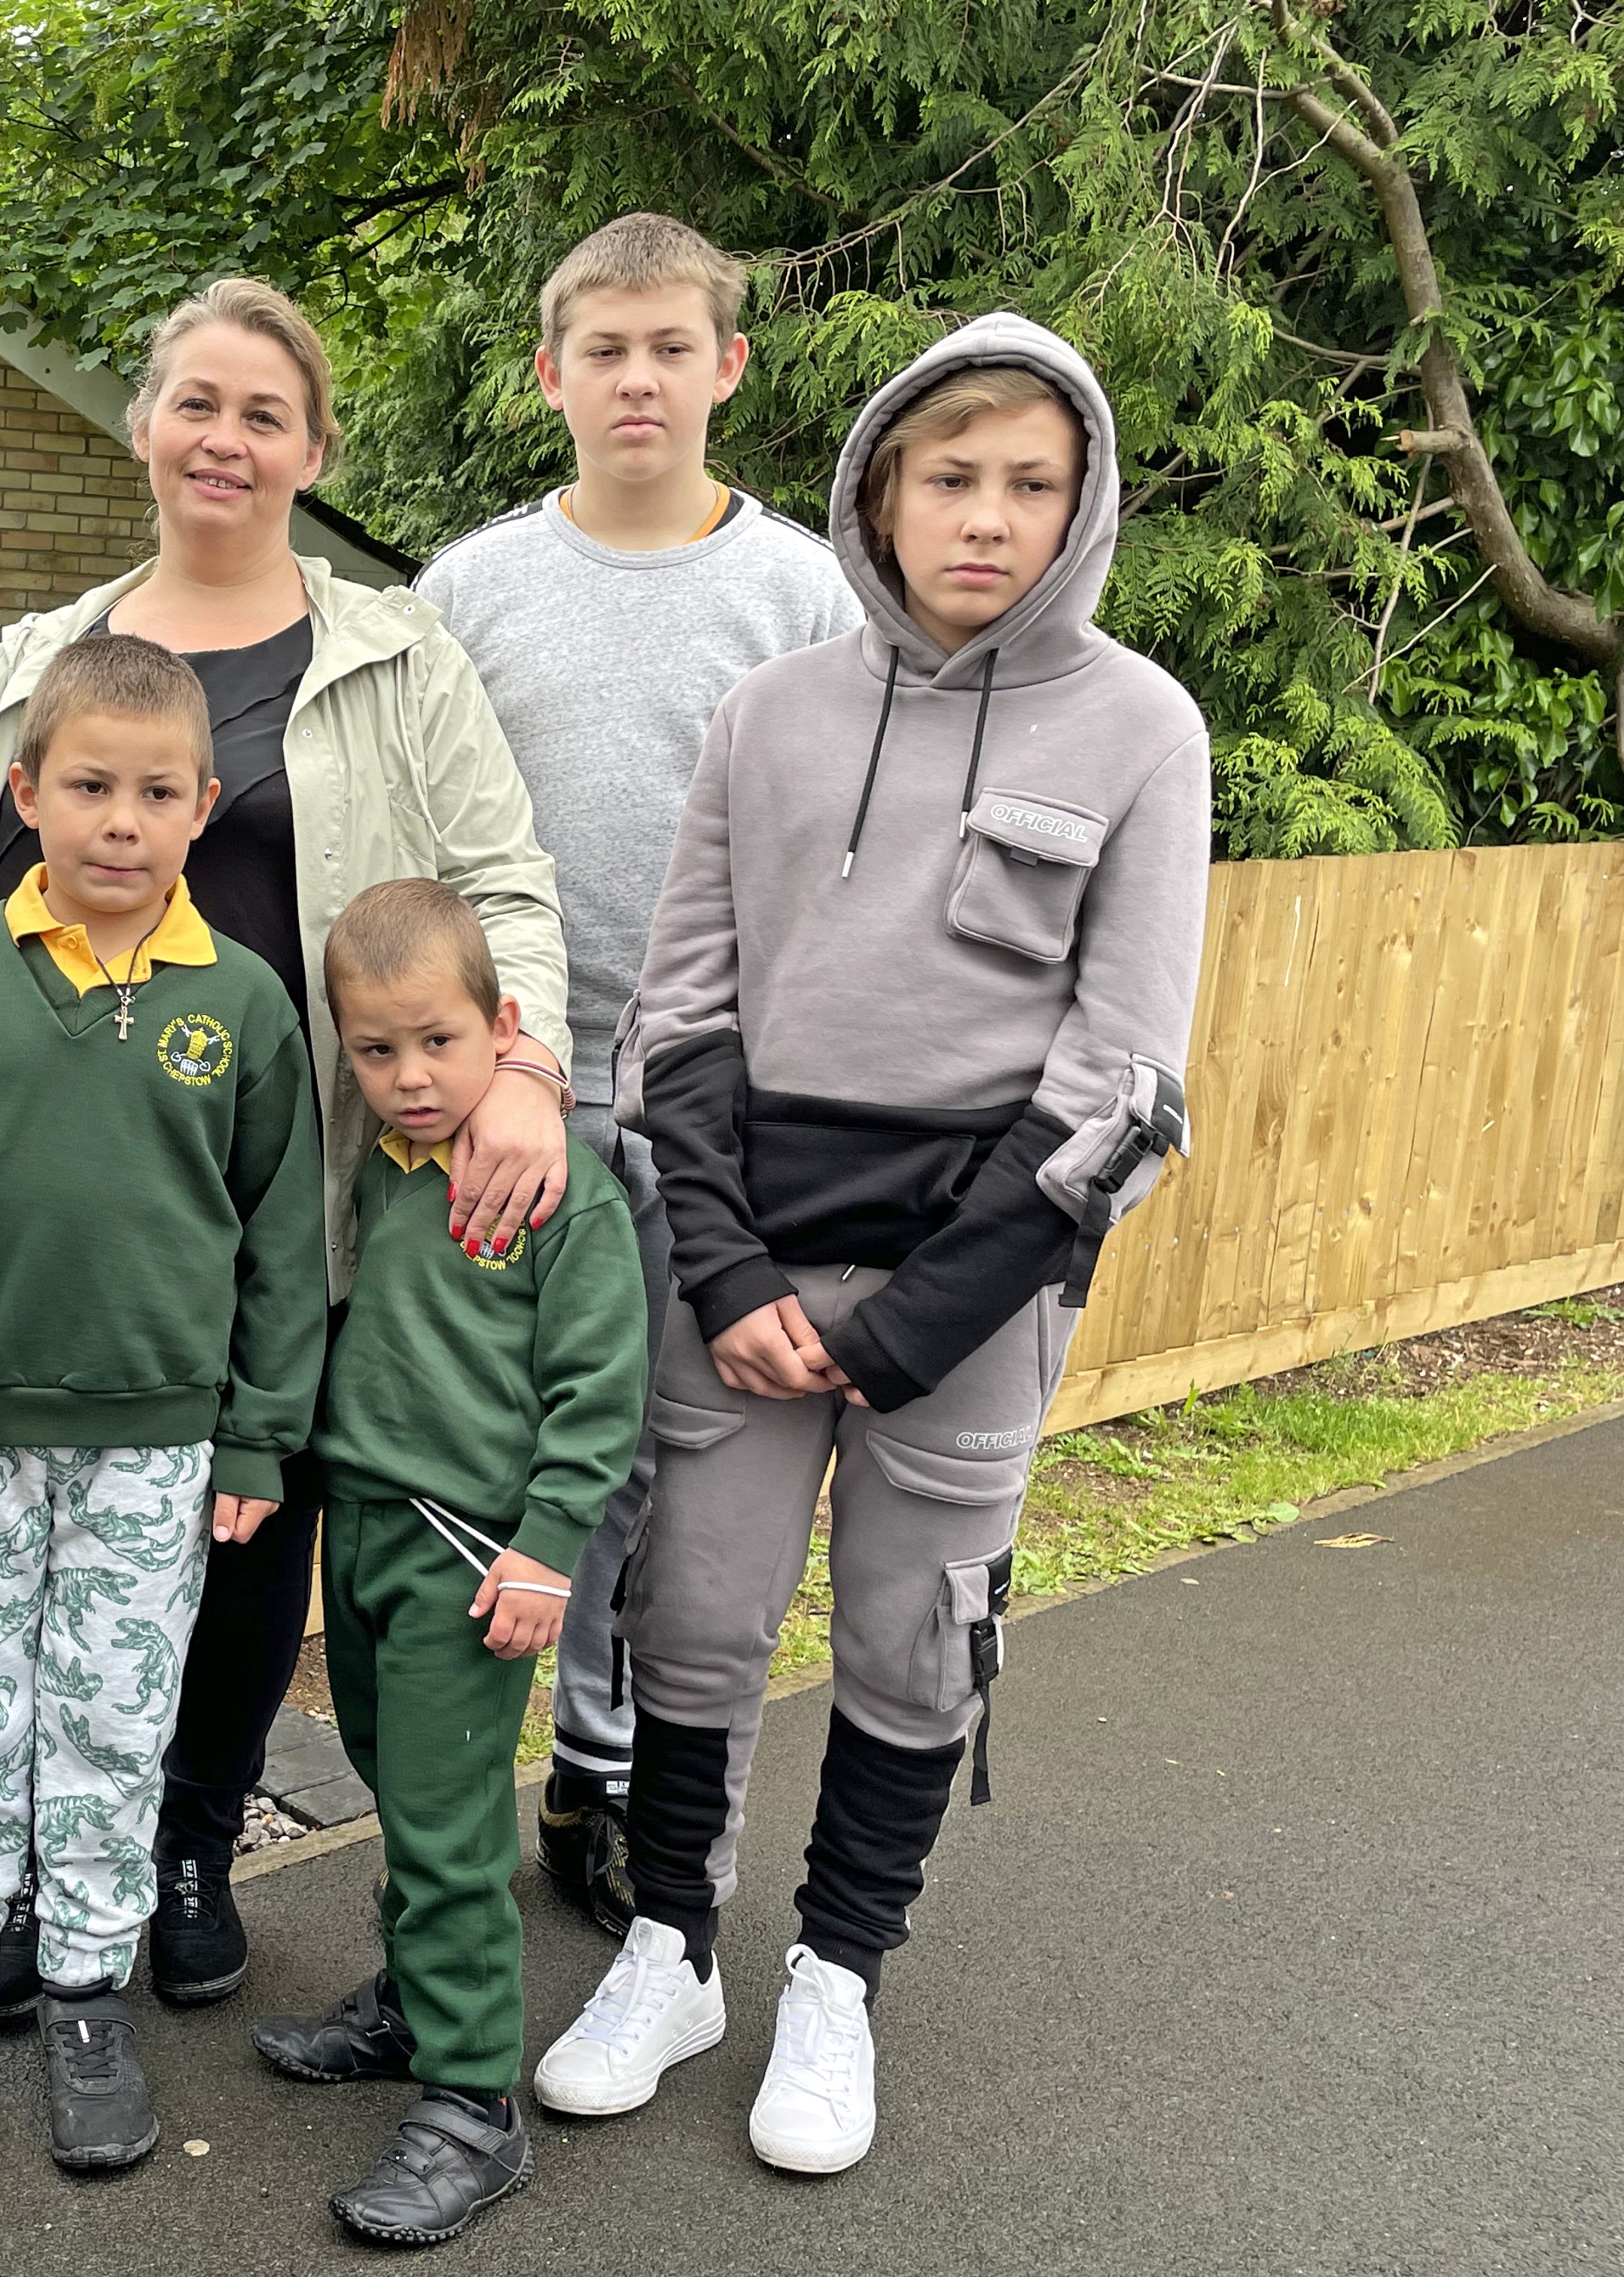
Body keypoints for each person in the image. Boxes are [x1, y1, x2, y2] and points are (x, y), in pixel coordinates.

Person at [538, 315, 1208, 2174]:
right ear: (880, 493)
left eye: (1029, 484)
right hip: (743, 1272)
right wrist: (736, 1282)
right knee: (691, 1613)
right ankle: (672, 1943)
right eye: (950, 478)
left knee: (916, 1640)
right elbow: (673, 1016)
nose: (984, 520)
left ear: (1081, 506)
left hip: (972, 1291)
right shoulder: (774, 712)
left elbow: (1124, 1074)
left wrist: (910, 1321)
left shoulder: (1145, 727)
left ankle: (837, 1973)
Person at [0, 278, 571, 2006]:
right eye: (198, 402)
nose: (226, 438)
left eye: (265, 414)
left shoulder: (391, 652)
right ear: (146, 424)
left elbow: (501, 878)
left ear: (312, 450)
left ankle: (189, 1840)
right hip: (68, 1210)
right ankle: (45, 1869)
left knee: (241, 1521)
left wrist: (525, 1068)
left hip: (301, 1185)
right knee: (42, 1549)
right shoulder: (38, 665)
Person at [0, 635, 327, 2177]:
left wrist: (256, 1430)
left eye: (156, 792)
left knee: (114, 1726)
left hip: (162, 1446)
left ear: (203, 809)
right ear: (26, 793)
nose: (121, 820)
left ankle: (93, 1990)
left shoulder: (241, 1005)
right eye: (90, 786)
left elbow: (283, 1238)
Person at [416, 214, 861, 1931]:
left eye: (673, 346)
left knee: (674, 1457)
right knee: (512, 1442)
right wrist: (484, 1063)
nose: (638, 378)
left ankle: (607, 1775)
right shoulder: (472, 587)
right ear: (552, 373)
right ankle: (457, 1796)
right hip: (506, 1093)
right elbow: (436, 843)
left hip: (715, 1100)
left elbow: (829, 852)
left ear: (729, 366)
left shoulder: (800, 591)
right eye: (604, 349)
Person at [249, 882, 647, 2247]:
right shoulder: (370, 1174)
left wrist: (546, 1554)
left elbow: (600, 1396)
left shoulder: (553, 1197)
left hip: (472, 1566)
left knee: (447, 1820)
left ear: (505, 1029)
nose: (408, 1078)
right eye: (374, 1051)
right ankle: (418, 1999)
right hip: (358, 1533)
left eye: (436, 1042)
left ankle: (474, 2101)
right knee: (392, 1778)